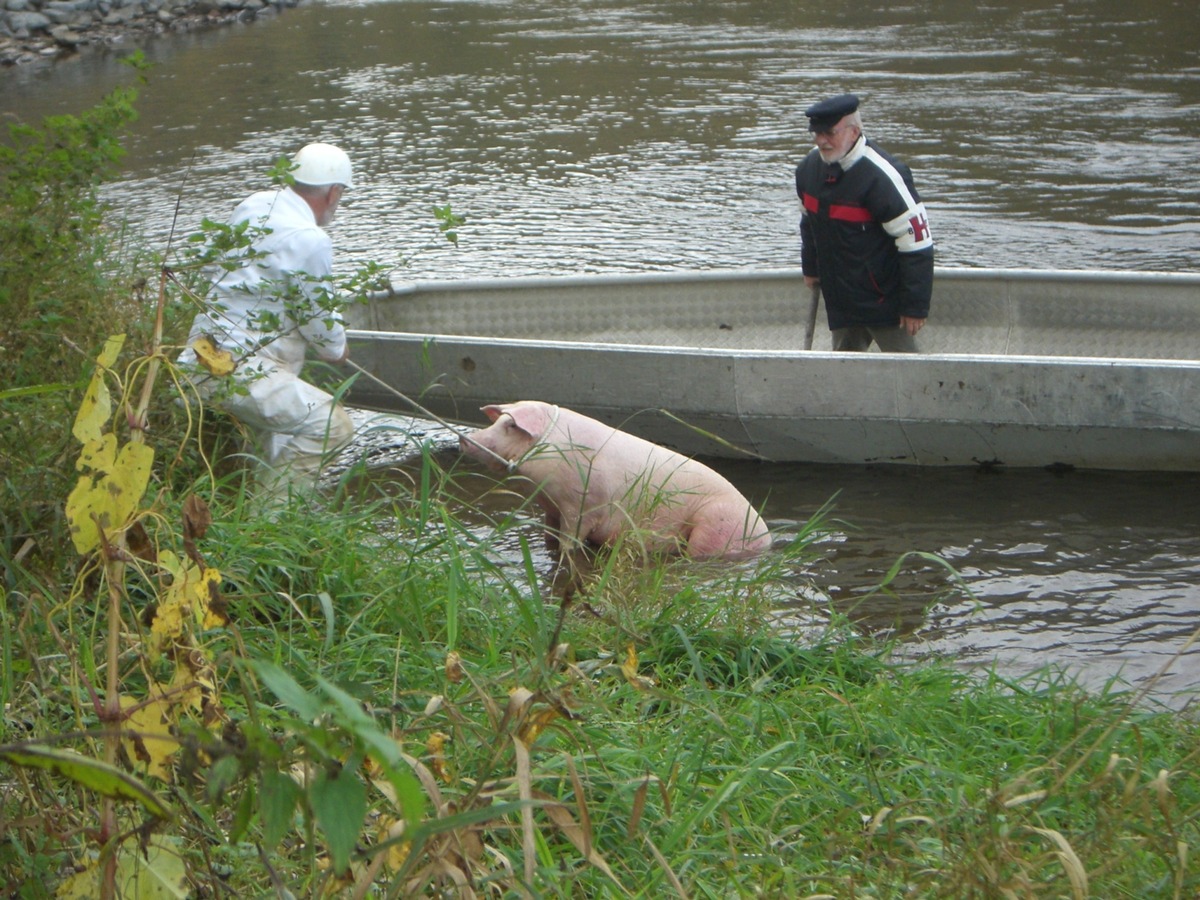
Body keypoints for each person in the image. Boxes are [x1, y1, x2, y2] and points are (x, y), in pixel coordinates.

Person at [177, 142, 357, 500]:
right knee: (330, 426)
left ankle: (247, 517)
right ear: (334, 192)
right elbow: (320, 323)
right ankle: (268, 523)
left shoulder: (254, 205)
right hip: (245, 368)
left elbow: (221, 268)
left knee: (267, 451)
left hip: (200, 356)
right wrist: (338, 349)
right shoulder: (312, 240)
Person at [794, 94, 934, 352]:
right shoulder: (808, 170)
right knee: (842, 372)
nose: (821, 140)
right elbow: (809, 224)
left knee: (909, 373)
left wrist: (915, 307)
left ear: (854, 131)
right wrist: (810, 267)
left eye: (829, 133)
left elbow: (917, 245)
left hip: (885, 302)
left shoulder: (883, 177)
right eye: (816, 133)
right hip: (841, 301)